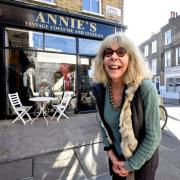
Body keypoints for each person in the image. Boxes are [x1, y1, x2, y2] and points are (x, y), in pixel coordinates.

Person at [92, 33, 161, 180]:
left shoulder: (146, 88)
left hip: (142, 165)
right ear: (102, 60)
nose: (114, 57)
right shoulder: (101, 91)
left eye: (121, 52)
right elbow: (103, 128)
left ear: (131, 59)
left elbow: (153, 136)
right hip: (117, 162)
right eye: (108, 52)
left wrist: (129, 166)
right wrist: (113, 157)